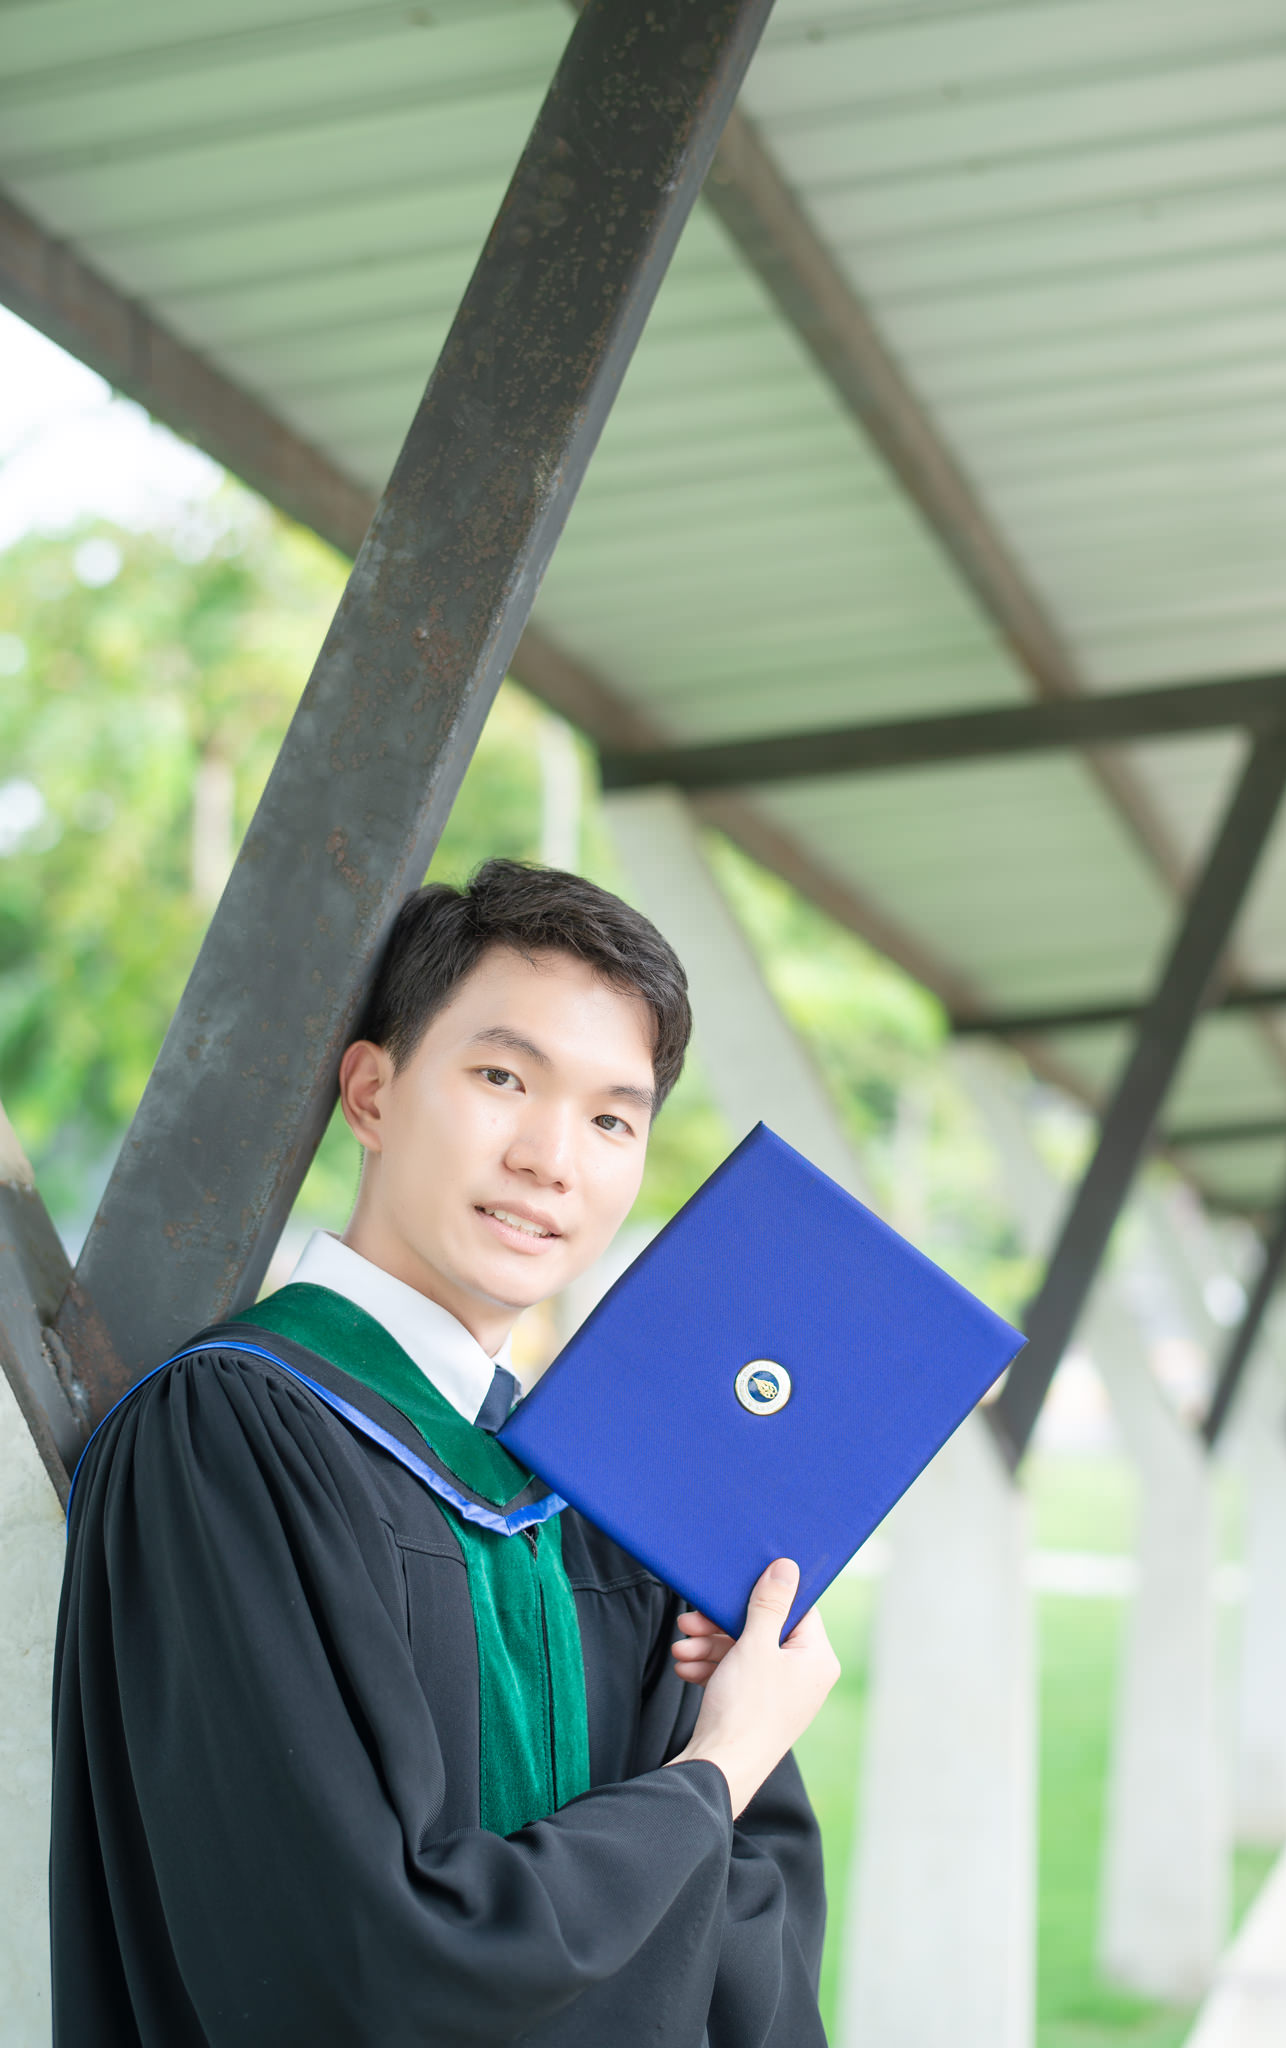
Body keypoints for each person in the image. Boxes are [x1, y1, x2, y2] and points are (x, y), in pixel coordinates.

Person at [51, 860, 838, 2046]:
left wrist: (744, 1711)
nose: (549, 1156)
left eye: (610, 1116)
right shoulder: (225, 1440)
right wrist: (718, 1763)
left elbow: (749, 1941)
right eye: (501, 1075)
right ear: (370, 1090)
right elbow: (358, 1965)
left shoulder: (603, 1504)